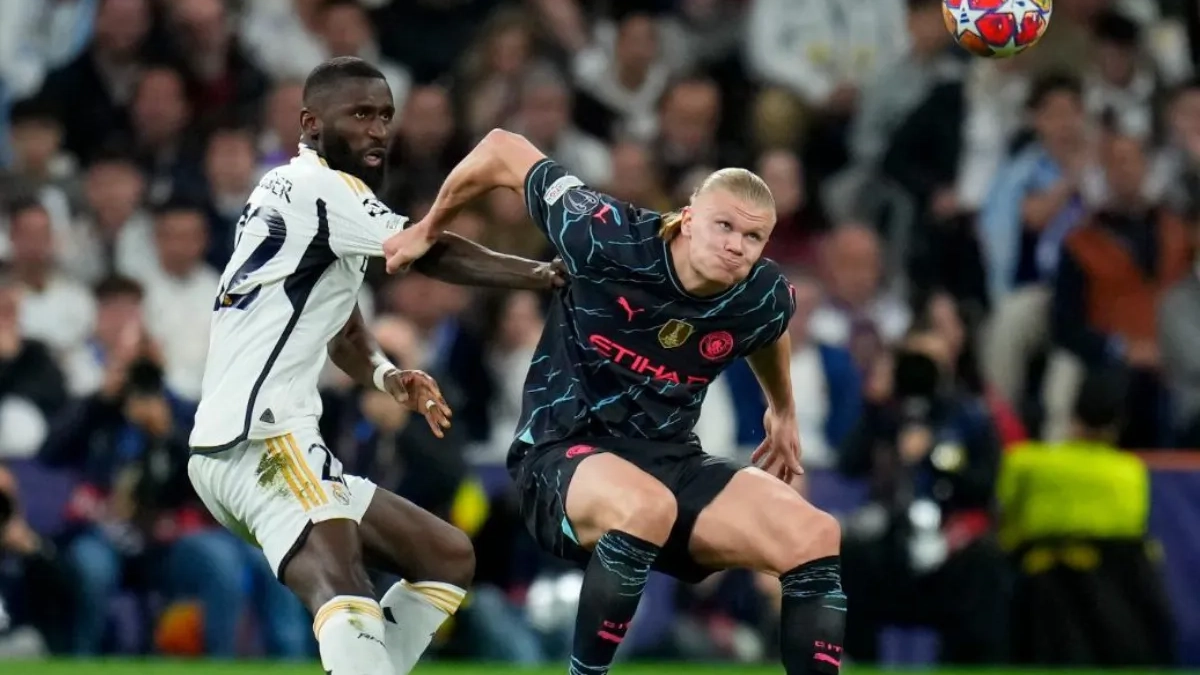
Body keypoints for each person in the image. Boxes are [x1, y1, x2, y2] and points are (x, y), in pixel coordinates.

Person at [385, 128, 847, 675]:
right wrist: (427, 228)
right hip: (561, 455)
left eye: (753, 237)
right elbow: (502, 149)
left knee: (815, 534)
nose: (736, 245)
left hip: (670, 462)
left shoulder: (760, 291)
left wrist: (783, 410)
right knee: (646, 506)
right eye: (724, 225)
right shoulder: (603, 233)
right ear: (688, 217)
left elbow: (771, 326)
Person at [186, 57, 562, 675]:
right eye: (361, 114)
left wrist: (389, 376)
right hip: (262, 438)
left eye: (385, 116)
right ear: (311, 123)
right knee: (345, 590)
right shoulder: (323, 188)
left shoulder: (289, 191)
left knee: (445, 557)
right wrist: (544, 273)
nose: (378, 130)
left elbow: (342, 330)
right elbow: (425, 250)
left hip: (244, 443)